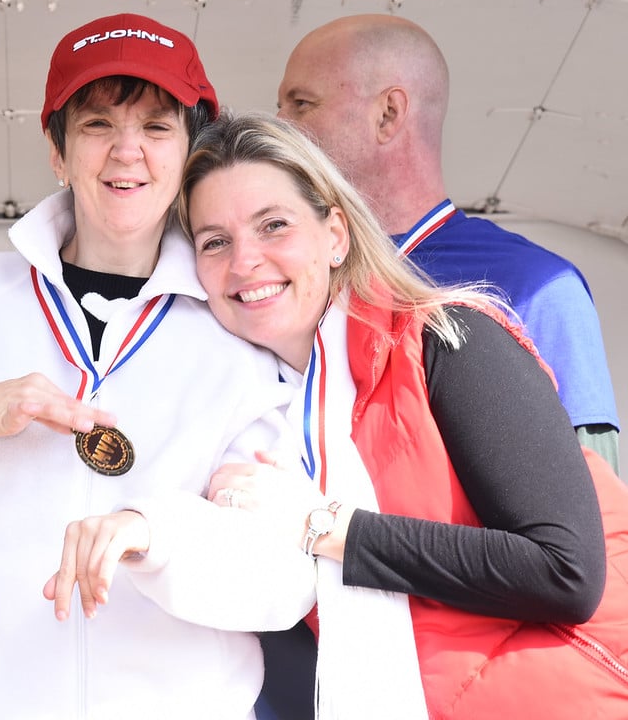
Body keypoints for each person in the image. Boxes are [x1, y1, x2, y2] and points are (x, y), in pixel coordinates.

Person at [0, 14, 316, 720]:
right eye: (98, 125)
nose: (125, 152)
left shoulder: (238, 325)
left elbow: (282, 580)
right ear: (58, 152)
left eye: (157, 127)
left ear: (191, 148)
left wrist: (154, 532)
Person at [178, 111, 628, 720]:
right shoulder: (260, 421)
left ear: (335, 234)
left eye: (273, 226)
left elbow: (565, 572)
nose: (245, 261)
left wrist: (322, 525)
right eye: (215, 241)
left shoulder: (447, 338)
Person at [276, 13, 620, 473]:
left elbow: (597, 514)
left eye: (301, 104)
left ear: (388, 114)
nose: (278, 125)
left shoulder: (534, 287)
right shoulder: (273, 276)